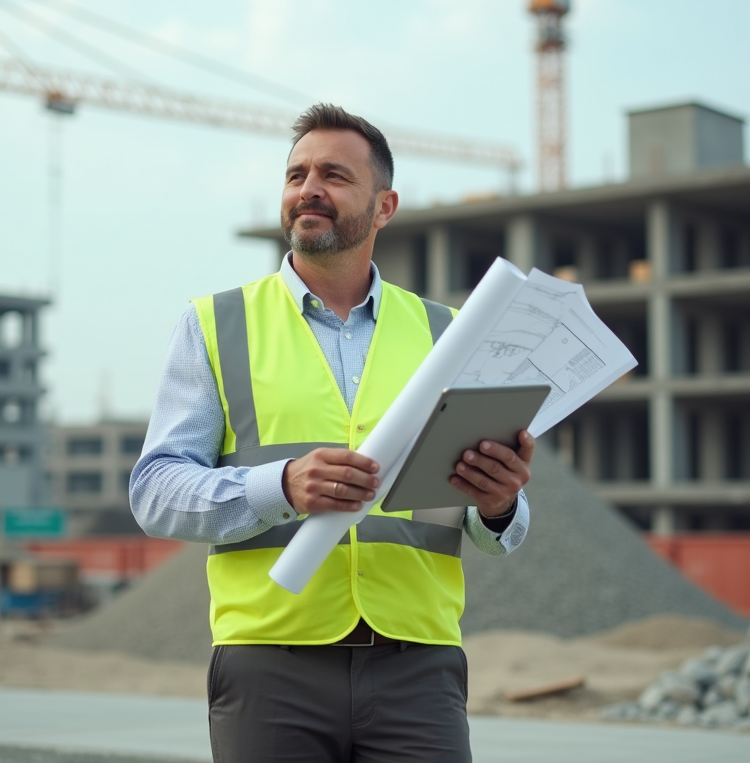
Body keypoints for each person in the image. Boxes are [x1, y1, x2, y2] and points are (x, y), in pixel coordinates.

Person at [130, 103, 535, 763]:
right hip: (269, 663)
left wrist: (499, 504)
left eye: (334, 175)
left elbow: (498, 535)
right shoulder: (214, 324)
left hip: (419, 665)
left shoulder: (447, 336)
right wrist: (280, 485)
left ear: (384, 206)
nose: (308, 188)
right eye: (296, 174)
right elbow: (153, 493)